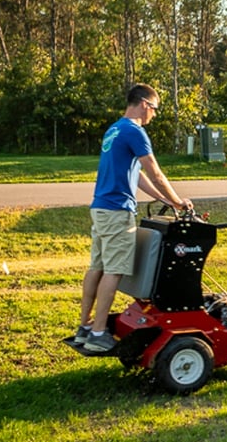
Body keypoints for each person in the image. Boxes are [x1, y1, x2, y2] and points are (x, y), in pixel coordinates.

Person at [76, 83, 194, 352]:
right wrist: (178, 201)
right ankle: (97, 334)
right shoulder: (135, 131)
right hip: (117, 210)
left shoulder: (115, 129)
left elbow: (137, 175)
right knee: (113, 271)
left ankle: (84, 327)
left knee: (97, 266)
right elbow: (155, 172)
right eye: (154, 109)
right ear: (144, 104)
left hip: (101, 208)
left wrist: (165, 200)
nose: (154, 115)